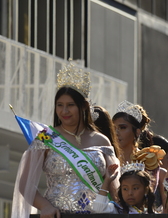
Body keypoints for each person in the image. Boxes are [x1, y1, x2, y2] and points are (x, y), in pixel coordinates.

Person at [11, 60, 120, 218]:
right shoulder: (45, 137)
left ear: (83, 106)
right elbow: (25, 183)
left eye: (70, 105)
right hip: (57, 215)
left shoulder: (102, 141)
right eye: (59, 105)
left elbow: (115, 187)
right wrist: (45, 206)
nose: (64, 111)